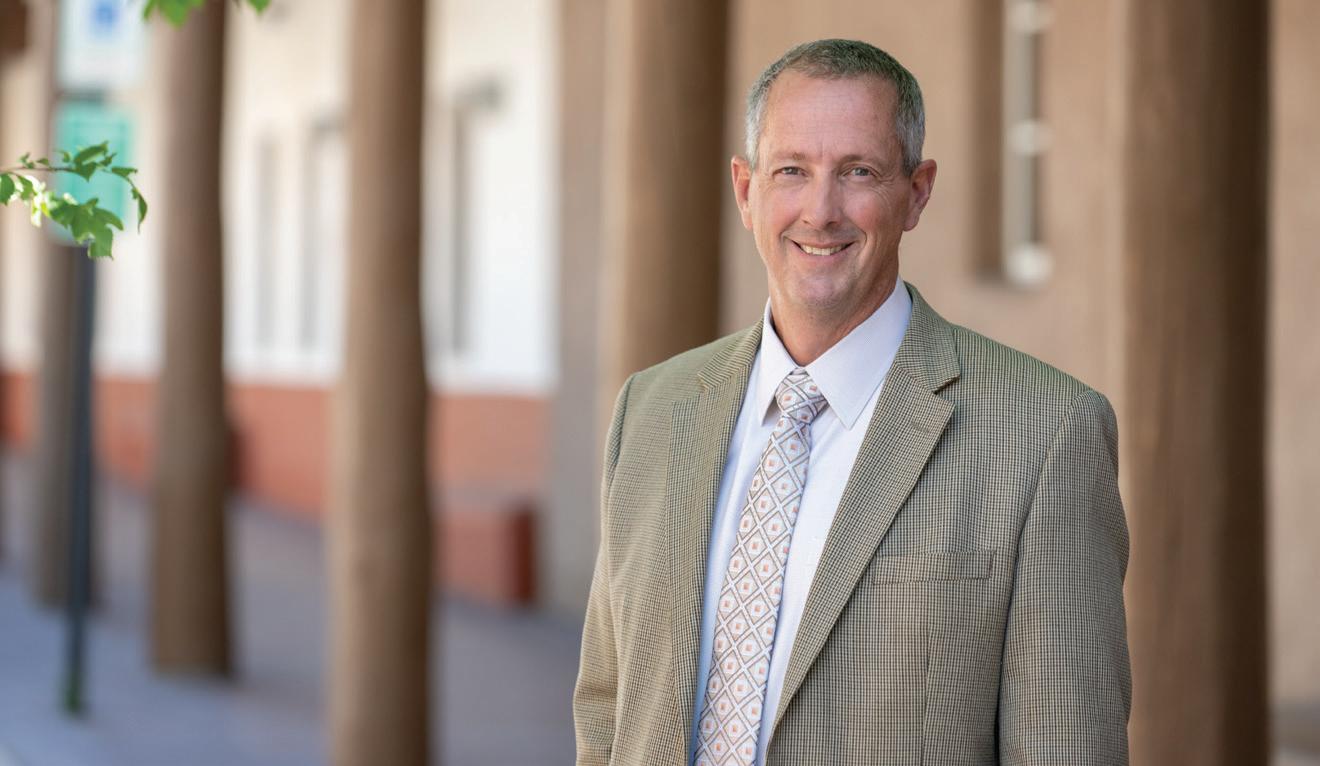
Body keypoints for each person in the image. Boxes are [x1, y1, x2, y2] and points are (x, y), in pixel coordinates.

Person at [573, 38, 1130, 765]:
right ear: (746, 190)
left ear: (917, 192)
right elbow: (608, 710)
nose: (821, 210)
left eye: (858, 172)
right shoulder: (651, 410)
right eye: (792, 171)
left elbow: (1067, 745)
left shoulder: (1045, 435)